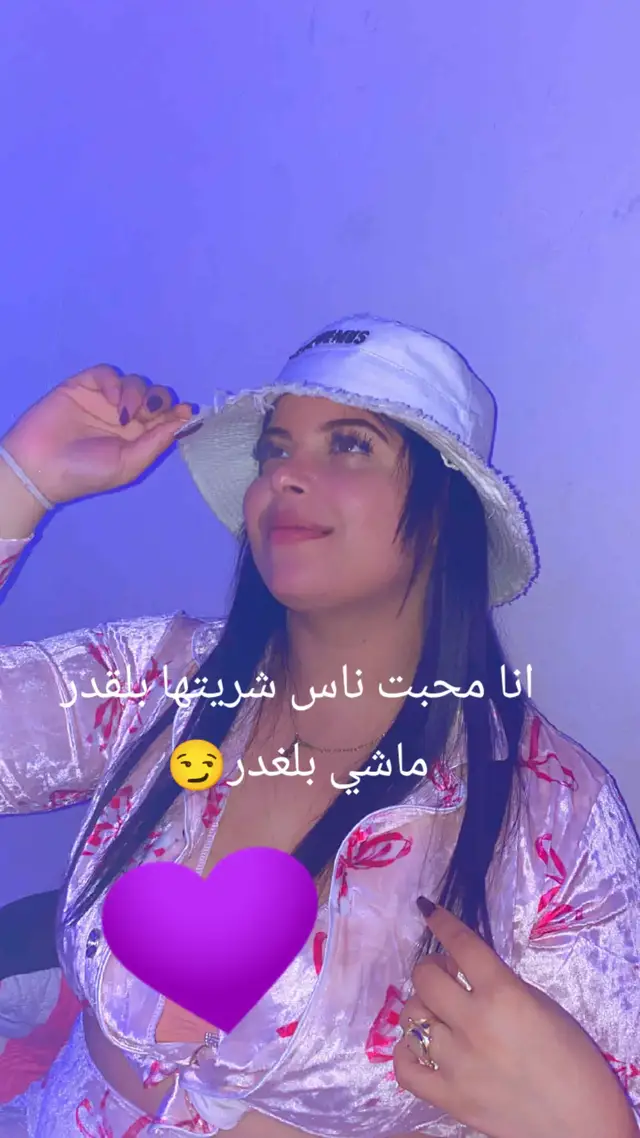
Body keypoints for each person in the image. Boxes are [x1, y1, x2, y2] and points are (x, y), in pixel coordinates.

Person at [0, 314, 637, 1138]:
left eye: (350, 445)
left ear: (447, 513)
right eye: (274, 450)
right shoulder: (156, 680)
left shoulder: (555, 815)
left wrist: (592, 1121)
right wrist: (20, 479)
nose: (287, 477)